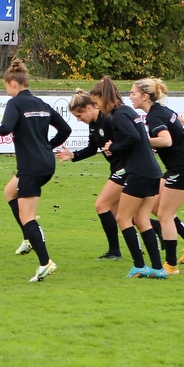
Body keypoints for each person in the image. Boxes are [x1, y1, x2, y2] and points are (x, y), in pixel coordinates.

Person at [0, 59, 71, 283]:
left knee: (28, 216)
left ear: (13, 83)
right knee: (9, 192)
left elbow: (5, 128)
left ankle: (45, 262)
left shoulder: (14, 104)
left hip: (31, 167)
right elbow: (66, 128)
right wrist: (48, 146)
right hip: (46, 164)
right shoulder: (41, 103)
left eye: (6, 86)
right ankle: (27, 238)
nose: (6, 91)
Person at [90, 76, 165, 279]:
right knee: (142, 219)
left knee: (123, 218)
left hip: (138, 172)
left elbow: (133, 137)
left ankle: (139, 266)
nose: (97, 107)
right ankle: (158, 268)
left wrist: (113, 147)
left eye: (97, 103)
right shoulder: (128, 112)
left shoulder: (120, 115)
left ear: (104, 98)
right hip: (152, 172)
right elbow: (136, 138)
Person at [130, 78, 184, 275]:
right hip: (179, 165)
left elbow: (166, 141)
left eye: (133, 93)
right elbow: (179, 120)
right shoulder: (160, 110)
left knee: (164, 214)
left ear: (144, 96)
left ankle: (171, 266)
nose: (130, 97)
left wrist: (143, 141)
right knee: (155, 206)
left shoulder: (154, 117)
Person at [58, 89, 125, 260]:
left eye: (79, 116)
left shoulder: (109, 119)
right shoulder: (93, 124)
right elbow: (91, 149)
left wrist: (115, 147)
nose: (79, 120)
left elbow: (128, 140)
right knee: (122, 215)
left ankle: (114, 252)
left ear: (89, 108)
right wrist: (72, 155)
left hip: (125, 168)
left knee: (101, 205)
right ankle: (157, 230)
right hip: (117, 168)